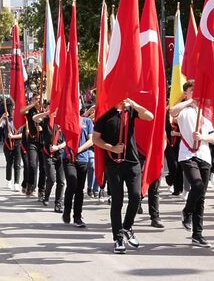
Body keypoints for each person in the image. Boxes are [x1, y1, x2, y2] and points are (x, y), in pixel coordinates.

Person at [92, 96, 155, 254]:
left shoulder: (131, 111)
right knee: (117, 201)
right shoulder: (105, 114)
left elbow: (150, 116)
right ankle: (118, 238)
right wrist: (111, 148)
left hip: (132, 162)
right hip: (114, 164)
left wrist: (133, 104)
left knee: (136, 197)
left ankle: (127, 227)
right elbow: (95, 139)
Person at [171, 82, 214, 249]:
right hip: (187, 155)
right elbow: (172, 111)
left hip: (204, 155)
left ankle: (197, 234)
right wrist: (190, 100)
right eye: (192, 90)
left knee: (201, 197)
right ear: (186, 93)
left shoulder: (207, 114)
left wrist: (203, 138)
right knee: (197, 186)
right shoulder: (184, 111)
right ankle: (187, 211)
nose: (196, 93)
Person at [61, 106, 93, 228]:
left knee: (79, 189)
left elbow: (91, 140)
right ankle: (66, 211)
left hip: (82, 158)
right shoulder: (67, 120)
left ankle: (77, 217)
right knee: (72, 184)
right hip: (68, 158)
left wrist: (78, 150)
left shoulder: (87, 121)